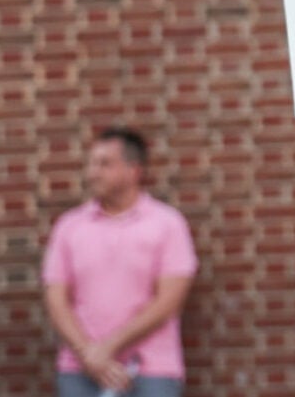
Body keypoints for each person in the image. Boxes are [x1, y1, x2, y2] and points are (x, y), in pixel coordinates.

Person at [43, 128, 197, 397]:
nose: (93, 173)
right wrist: (88, 354)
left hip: (151, 370)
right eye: (91, 164)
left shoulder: (167, 224)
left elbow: (168, 302)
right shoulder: (69, 226)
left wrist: (106, 349)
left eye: (104, 164)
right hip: (79, 370)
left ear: (134, 170)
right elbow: (56, 299)